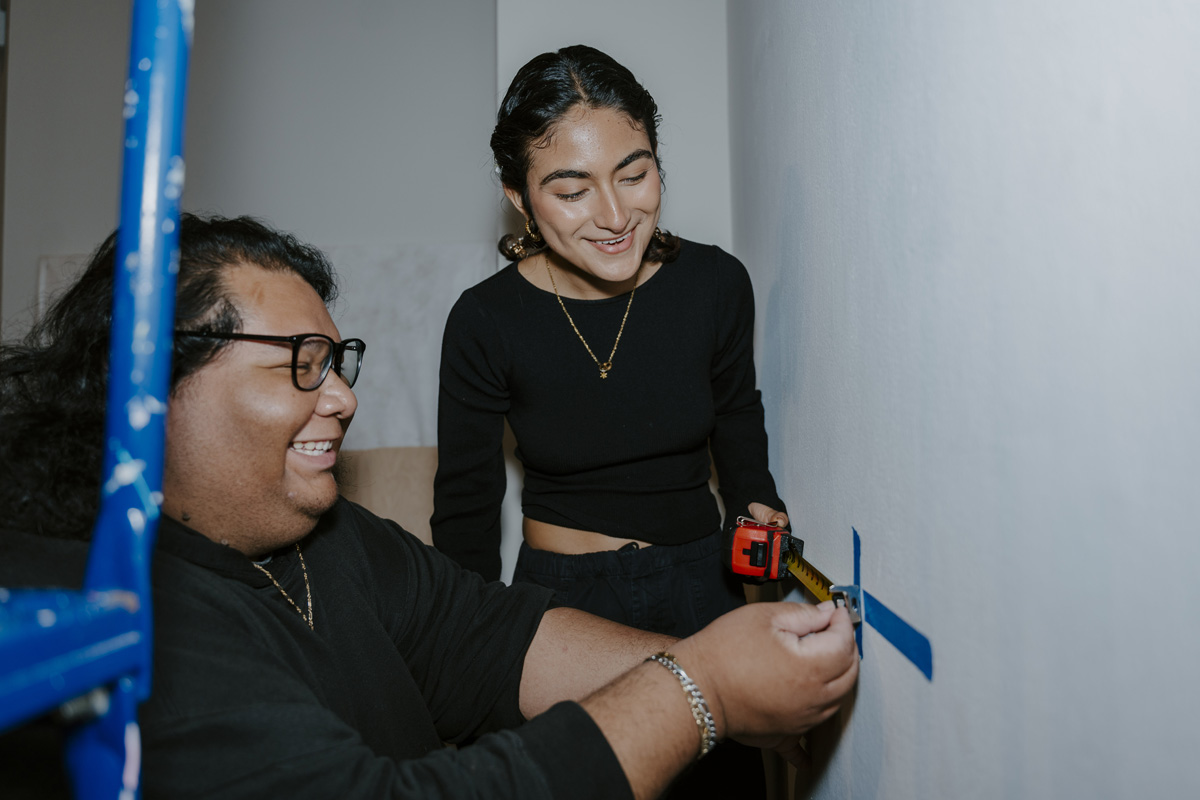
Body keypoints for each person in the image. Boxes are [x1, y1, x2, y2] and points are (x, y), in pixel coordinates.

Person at [0, 214, 856, 799]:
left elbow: (494, 639)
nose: (342, 398)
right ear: (151, 392)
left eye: (339, 361)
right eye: (302, 361)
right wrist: (700, 689)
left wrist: (723, 661)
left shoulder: (324, 535)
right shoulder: (105, 620)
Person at [431, 45, 790, 796]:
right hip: (562, 600)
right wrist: (463, 655)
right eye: (572, 190)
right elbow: (465, 505)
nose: (616, 214)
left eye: (634, 173)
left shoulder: (717, 284)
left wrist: (764, 517)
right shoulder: (485, 321)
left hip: (703, 585)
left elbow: (738, 422)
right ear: (519, 197)